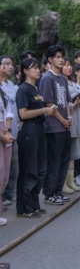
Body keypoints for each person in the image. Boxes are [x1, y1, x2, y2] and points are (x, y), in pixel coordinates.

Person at [16, 58, 55, 218]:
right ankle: (24, 207)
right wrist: (44, 110)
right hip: (29, 132)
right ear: (25, 71)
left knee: (40, 169)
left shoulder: (35, 88)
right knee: (29, 169)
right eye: (34, 68)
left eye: (38, 68)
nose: (38, 70)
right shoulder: (23, 90)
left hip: (39, 130)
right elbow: (23, 114)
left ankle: (34, 204)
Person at [39, 45, 72, 205]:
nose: (61, 59)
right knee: (53, 161)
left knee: (64, 160)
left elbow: (65, 102)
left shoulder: (63, 79)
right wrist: (63, 120)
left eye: (62, 56)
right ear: (50, 59)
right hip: (53, 127)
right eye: (58, 56)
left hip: (65, 126)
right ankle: (49, 193)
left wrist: (69, 117)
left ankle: (58, 191)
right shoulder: (47, 78)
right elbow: (50, 104)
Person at [62, 58, 80, 193]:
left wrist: (79, 103)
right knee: (65, 154)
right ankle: (63, 182)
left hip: (76, 122)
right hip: (65, 123)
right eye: (66, 65)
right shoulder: (60, 82)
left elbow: (76, 106)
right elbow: (61, 105)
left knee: (74, 154)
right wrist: (73, 104)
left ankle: (70, 181)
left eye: (70, 65)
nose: (69, 68)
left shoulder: (72, 82)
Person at [0, 55, 18, 207]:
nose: (10, 67)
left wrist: (13, 126)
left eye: (12, 64)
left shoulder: (11, 85)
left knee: (11, 164)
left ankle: (9, 192)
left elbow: (11, 109)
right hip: (3, 131)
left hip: (11, 130)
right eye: (6, 64)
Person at [0, 82, 14, 224]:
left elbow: (8, 111)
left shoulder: (3, 91)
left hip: (5, 130)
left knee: (5, 174)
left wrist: (7, 130)